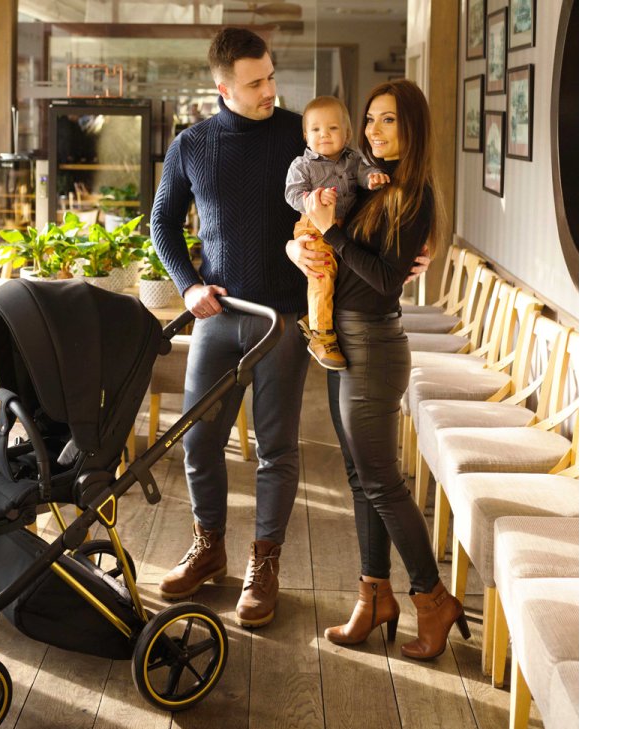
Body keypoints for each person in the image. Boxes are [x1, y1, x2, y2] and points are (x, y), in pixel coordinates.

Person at [151, 29, 429, 629]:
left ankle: (264, 563)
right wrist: (188, 285)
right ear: (222, 88)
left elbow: (360, 199)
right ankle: (208, 546)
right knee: (198, 440)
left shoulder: (300, 134)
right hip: (219, 312)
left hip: (283, 320)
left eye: (272, 76)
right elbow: (162, 222)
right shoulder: (191, 144)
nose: (269, 90)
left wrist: (414, 247)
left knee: (275, 449)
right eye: (255, 83)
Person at [286, 79, 469, 660]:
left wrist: (333, 233)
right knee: (361, 477)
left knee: (383, 482)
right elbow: (327, 243)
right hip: (343, 340)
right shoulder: (371, 183)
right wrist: (300, 245)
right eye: (369, 119)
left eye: (387, 120)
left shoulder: (414, 195)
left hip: (373, 345)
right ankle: (374, 596)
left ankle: (433, 599)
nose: (373, 130)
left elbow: (387, 281)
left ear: (412, 127)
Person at [284, 95, 389, 371]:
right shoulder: (302, 165)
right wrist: (313, 199)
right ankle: (321, 335)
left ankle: (313, 318)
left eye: (333, 128)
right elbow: (292, 194)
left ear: (347, 134)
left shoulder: (353, 160)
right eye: (316, 129)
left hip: (345, 228)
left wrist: (373, 177)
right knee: (322, 274)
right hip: (314, 227)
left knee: (344, 279)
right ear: (306, 136)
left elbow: (365, 174)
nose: (324, 135)